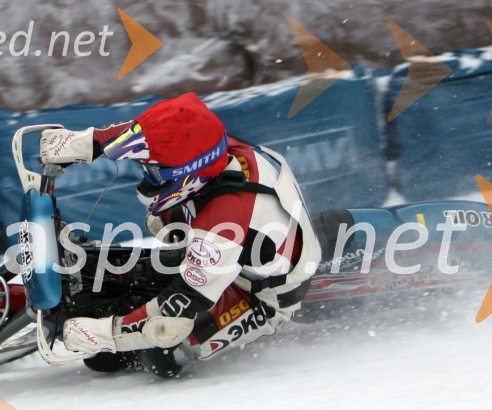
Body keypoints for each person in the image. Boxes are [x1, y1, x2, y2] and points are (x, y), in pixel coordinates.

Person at [39, 92, 321, 377]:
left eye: (156, 174)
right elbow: (153, 131)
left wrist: (107, 333)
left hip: (257, 294)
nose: (149, 179)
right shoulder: (214, 144)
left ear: (189, 173)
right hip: (238, 246)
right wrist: (88, 143)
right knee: (131, 251)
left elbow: (180, 306)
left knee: (156, 353)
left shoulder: (223, 222)